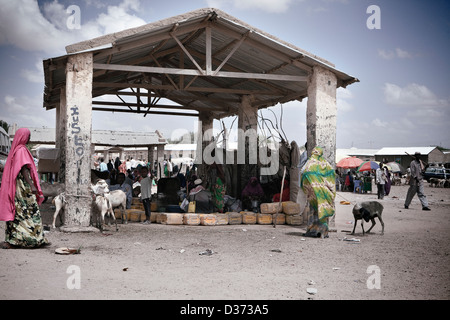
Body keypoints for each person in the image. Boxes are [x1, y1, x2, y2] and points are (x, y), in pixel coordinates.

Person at [0, 128, 49, 249]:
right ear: (23, 137)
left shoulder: (16, 150)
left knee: (18, 211)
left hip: (16, 186)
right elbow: (23, 169)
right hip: (23, 187)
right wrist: (31, 185)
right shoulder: (21, 150)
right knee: (29, 210)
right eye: (28, 136)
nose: (29, 138)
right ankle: (31, 238)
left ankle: (14, 239)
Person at [300, 146, 336, 238]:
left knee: (313, 212)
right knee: (322, 210)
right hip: (324, 193)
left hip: (313, 193)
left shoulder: (309, 162)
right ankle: (324, 232)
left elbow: (303, 172)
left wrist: (310, 186)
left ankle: (312, 231)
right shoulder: (326, 164)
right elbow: (332, 174)